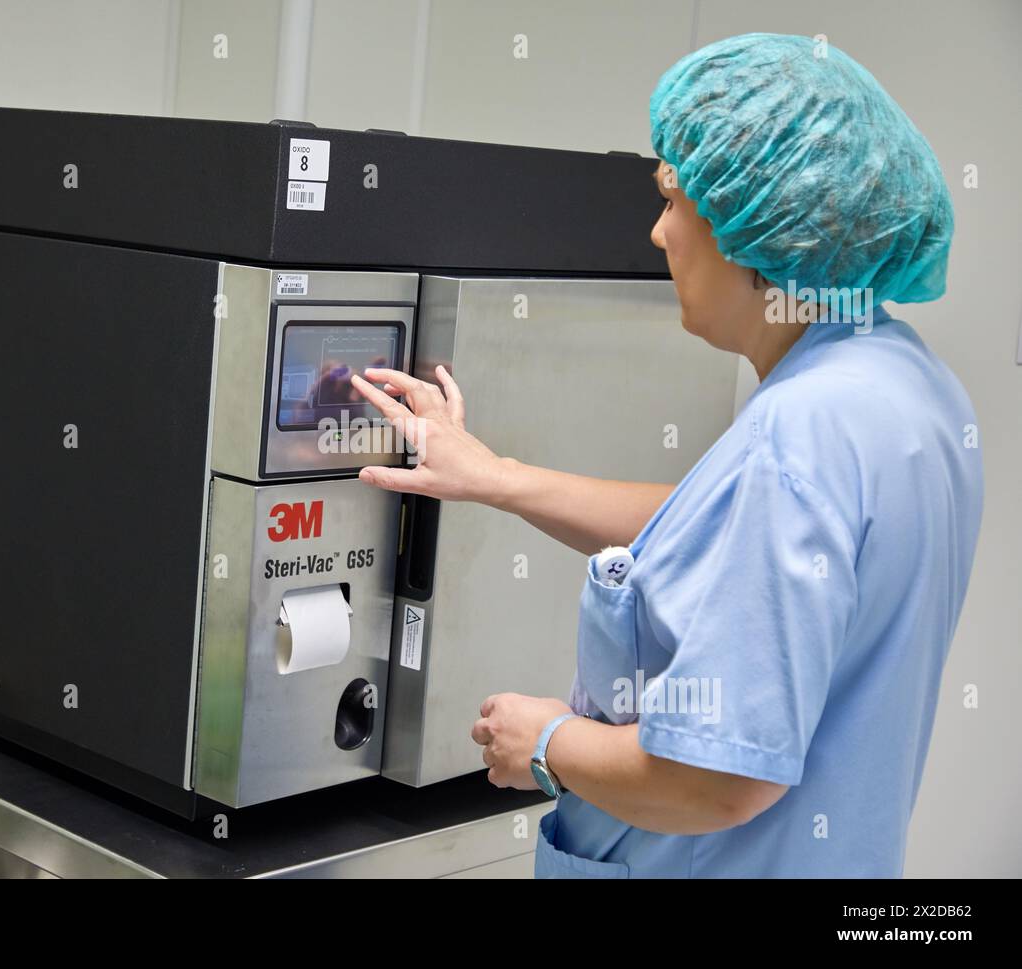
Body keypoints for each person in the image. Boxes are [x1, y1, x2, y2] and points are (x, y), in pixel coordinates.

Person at [350, 33, 982, 877]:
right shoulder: (902, 385)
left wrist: (545, 741)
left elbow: (718, 780)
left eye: (675, 200)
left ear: (758, 228)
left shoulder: (797, 431)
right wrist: (493, 476)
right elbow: (726, 534)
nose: (658, 231)